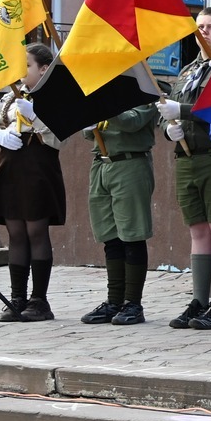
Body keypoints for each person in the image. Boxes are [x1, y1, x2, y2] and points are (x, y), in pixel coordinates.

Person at [158, 7, 211, 331]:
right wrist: (169, 128)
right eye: (200, 26)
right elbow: (168, 111)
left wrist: (182, 111)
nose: (203, 31)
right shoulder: (189, 69)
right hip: (186, 156)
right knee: (197, 230)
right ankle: (200, 300)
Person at [0, 44, 65, 323]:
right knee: (15, 232)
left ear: (43, 69)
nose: (21, 71)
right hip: (11, 168)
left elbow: (60, 136)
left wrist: (34, 116)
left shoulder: (54, 97)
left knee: (36, 231)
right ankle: (17, 297)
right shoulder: (9, 98)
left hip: (38, 168)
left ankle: (39, 300)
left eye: (27, 65)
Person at [80, 96, 160, 327]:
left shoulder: (143, 89)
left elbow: (131, 122)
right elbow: (90, 133)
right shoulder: (107, 90)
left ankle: (133, 303)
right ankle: (114, 301)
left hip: (130, 162)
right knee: (110, 235)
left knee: (132, 234)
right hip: (101, 163)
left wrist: (102, 105)